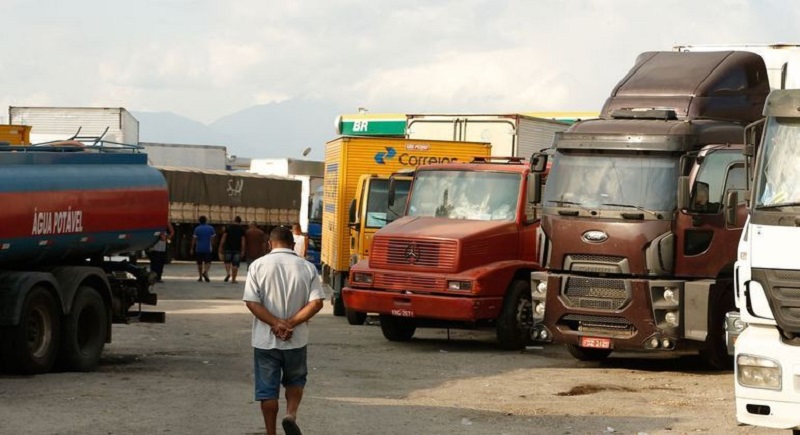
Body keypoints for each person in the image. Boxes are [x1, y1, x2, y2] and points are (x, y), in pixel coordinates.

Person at [243, 226, 325, 435]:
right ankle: (291, 414)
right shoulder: (307, 267)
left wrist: (275, 323)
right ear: (293, 243)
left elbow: (252, 303)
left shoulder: (257, 266)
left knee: (267, 391)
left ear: (270, 244)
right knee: (295, 380)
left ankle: (271, 433)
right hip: (296, 340)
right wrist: (290, 323)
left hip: (265, 341)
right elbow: (316, 303)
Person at [219, 216, 245, 283]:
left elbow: (223, 238)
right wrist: (243, 250)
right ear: (240, 222)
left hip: (228, 248)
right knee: (235, 264)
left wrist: (220, 247)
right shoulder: (241, 229)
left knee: (227, 262)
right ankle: (233, 279)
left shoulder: (228, 228)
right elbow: (243, 241)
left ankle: (228, 273)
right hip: (237, 249)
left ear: (234, 221)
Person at [190, 215, 216, 282]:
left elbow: (194, 239)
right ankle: (205, 272)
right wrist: (212, 245)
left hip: (199, 248)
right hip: (208, 248)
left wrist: (192, 248)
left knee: (199, 263)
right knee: (208, 262)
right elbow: (213, 238)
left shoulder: (197, 229)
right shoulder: (211, 228)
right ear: (206, 220)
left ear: (199, 221)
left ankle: (200, 277)